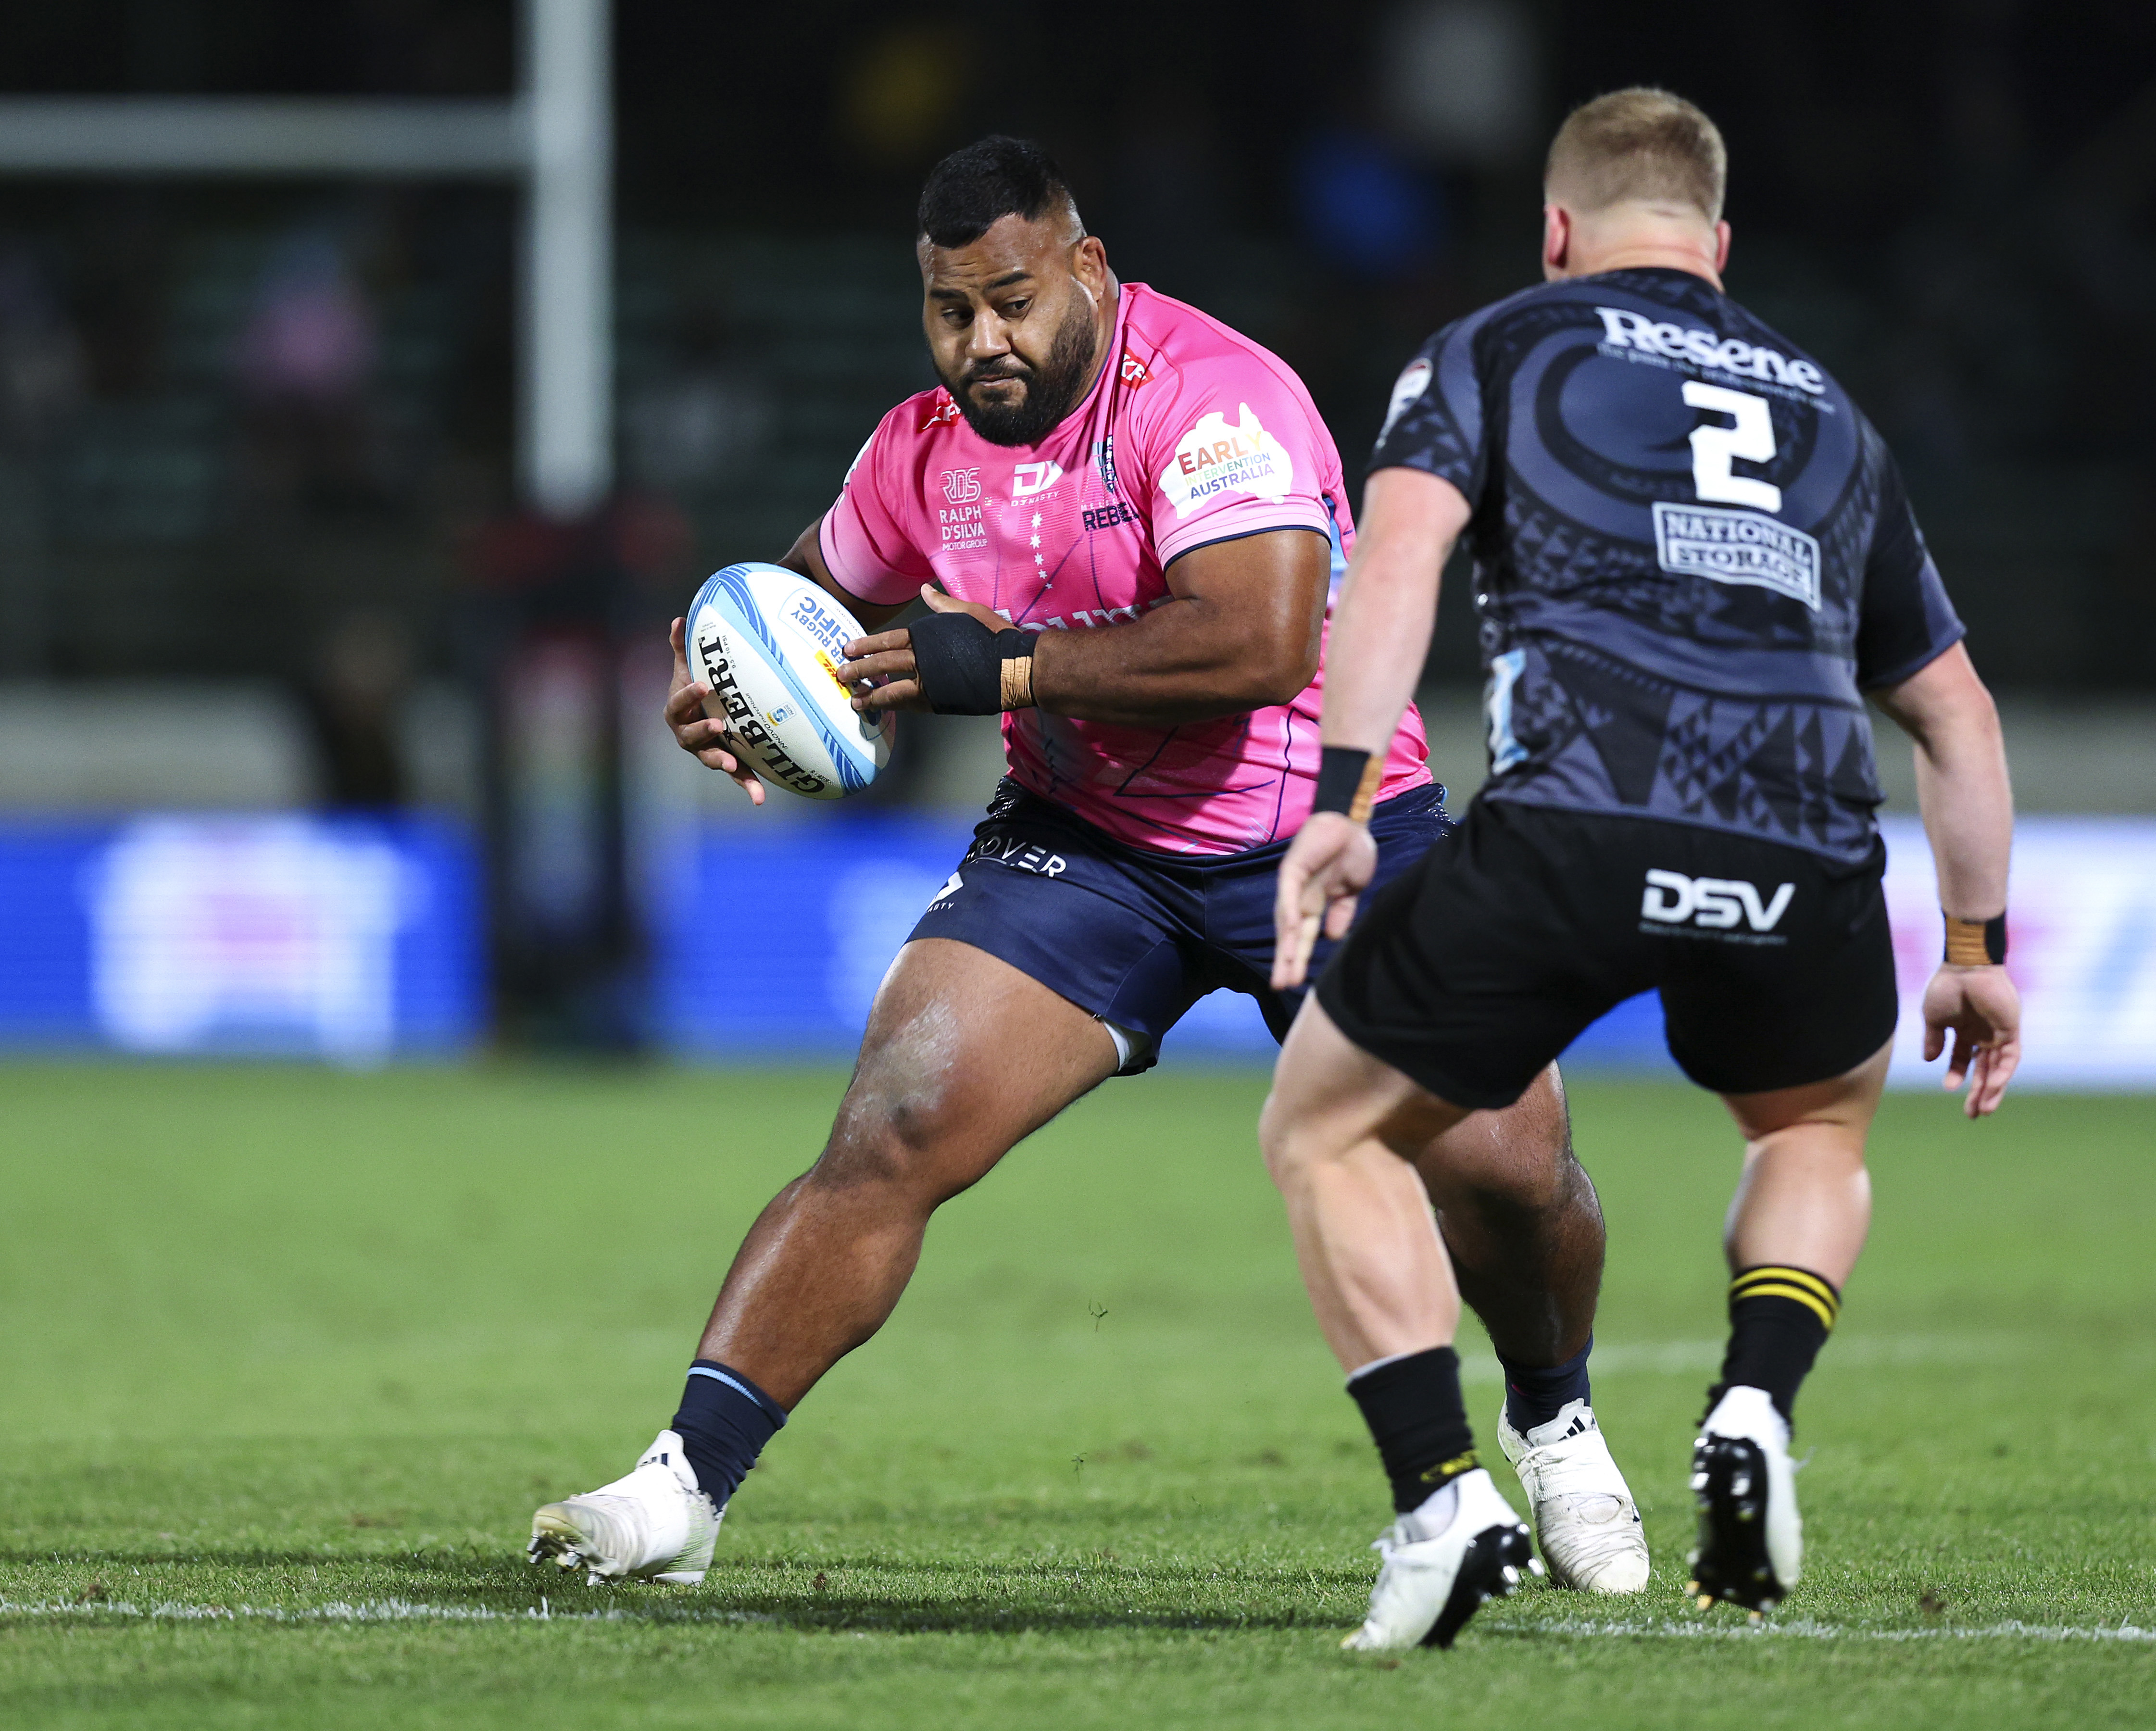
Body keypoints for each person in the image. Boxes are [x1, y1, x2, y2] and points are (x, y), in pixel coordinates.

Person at [526, 137, 1648, 1594]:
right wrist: (729, 675)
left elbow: (1257, 640)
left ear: (1088, 272)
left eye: (1012, 301)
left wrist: (997, 670)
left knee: (1506, 1163)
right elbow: (809, 591)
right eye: (950, 310)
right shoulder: (921, 448)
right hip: (1086, 844)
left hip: (1318, 821)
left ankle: (1556, 1428)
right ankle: (681, 1489)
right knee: (898, 1123)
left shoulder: (1214, 397)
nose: (983, 341)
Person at [1257, 88, 2023, 1650]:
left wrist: (1341, 798)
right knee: (1813, 1121)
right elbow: (1954, 710)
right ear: (1719, 247)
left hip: (1579, 819)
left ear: (1557, 233)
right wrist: (1975, 943)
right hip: (1806, 843)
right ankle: (1754, 1405)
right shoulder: (1830, 414)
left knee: (1328, 1128)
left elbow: (1394, 564)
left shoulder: (1494, 348)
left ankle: (1442, 1501)